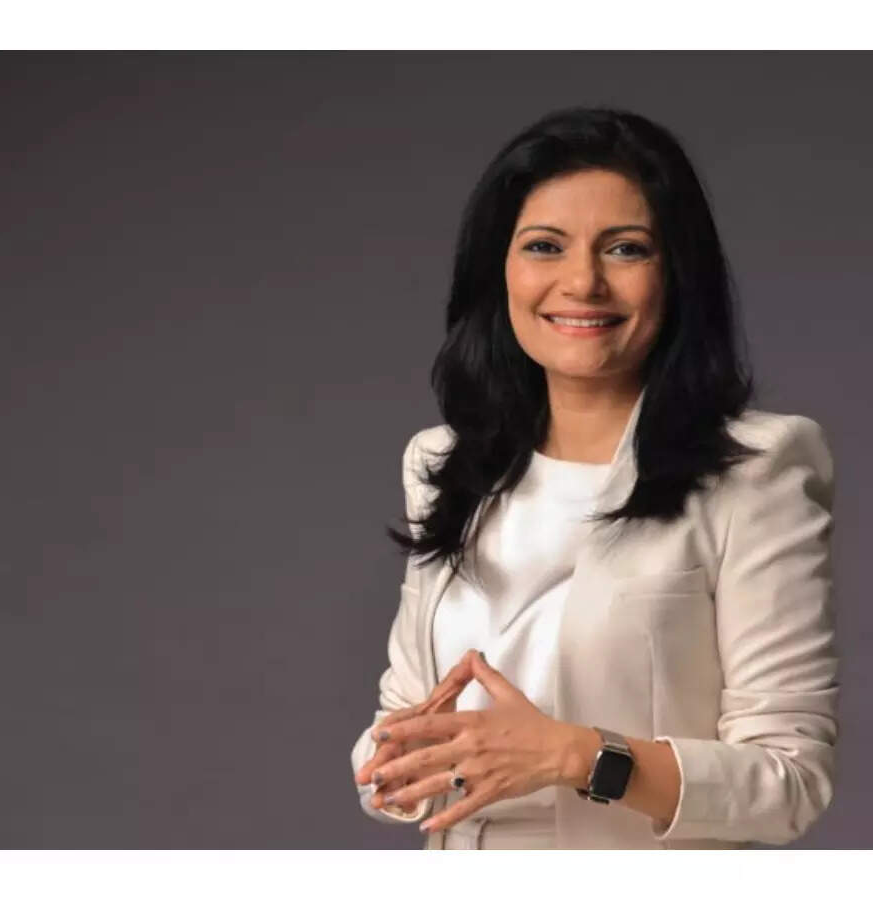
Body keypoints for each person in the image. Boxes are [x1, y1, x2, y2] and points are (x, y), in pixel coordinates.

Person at [349, 106, 840, 850]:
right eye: (544, 246)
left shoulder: (755, 470)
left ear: (676, 275)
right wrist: (399, 762)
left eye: (625, 249)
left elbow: (790, 782)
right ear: (500, 270)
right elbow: (396, 733)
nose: (582, 282)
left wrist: (576, 756)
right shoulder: (443, 463)